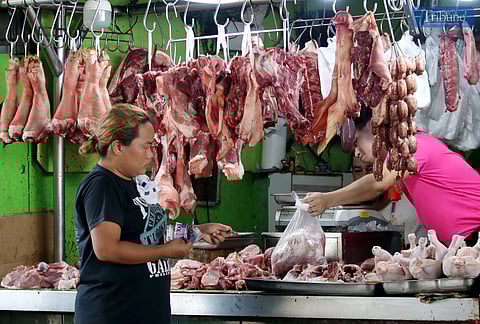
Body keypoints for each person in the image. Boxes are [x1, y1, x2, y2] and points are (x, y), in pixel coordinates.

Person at [74, 104, 232, 324]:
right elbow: (106, 249)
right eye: (145, 146)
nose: (151, 154)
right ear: (118, 147)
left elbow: (144, 235)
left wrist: (197, 232)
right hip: (113, 313)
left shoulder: (133, 184)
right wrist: (165, 251)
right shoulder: (103, 185)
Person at [304, 107, 480, 245]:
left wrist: (327, 200)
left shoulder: (414, 147)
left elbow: (377, 183)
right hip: (462, 242)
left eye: (357, 142)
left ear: (375, 130)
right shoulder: (408, 150)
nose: (356, 153)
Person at [351, 154, 427, 242]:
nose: (364, 176)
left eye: (370, 169)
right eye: (357, 170)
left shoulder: (409, 210)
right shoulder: (348, 210)